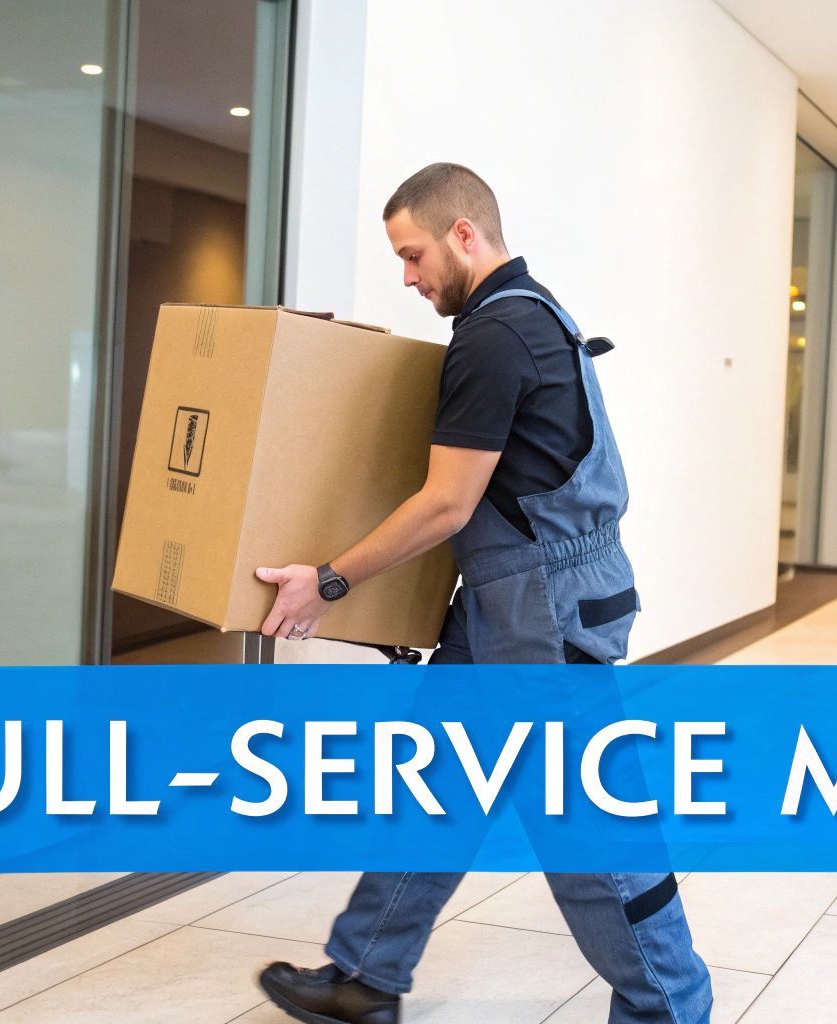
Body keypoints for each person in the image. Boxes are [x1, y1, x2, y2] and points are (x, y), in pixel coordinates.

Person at [249, 163, 712, 1024]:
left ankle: (670, 1007)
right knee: (438, 783)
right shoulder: (537, 313)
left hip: (539, 619)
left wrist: (333, 580)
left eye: (413, 253)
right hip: (516, 603)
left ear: (465, 234)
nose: (408, 276)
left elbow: (447, 503)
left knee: (590, 838)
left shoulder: (495, 337)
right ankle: (366, 976)